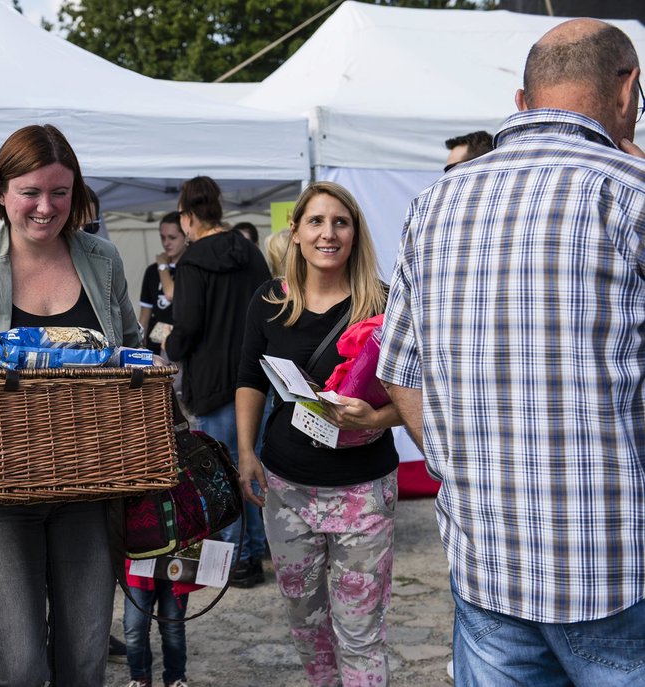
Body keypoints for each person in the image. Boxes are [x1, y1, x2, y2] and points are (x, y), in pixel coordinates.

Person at [378, 19, 645, 686]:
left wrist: (460, 471)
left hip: (488, 556)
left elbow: (401, 372)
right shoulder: (631, 193)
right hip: (618, 567)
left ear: (524, 101)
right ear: (628, 87)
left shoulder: (433, 203)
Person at [0, 124, 140, 685]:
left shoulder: (102, 260)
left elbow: (134, 354)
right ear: (1, 192)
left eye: (60, 192)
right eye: (30, 192)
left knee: (84, 661)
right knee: (18, 663)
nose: (45, 207)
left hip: (90, 482)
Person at [236, 182, 401, 685]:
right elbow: (249, 379)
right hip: (288, 488)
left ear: (355, 232)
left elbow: (420, 393)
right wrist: (246, 451)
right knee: (307, 627)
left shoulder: (385, 304)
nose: (328, 233)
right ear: (296, 230)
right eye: (316, 221)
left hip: (363, 491)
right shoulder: (269, 302)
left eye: (340, 222)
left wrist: (374, 420)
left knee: (360, 631)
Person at [163, 176, 271, 588]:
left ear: (189, 217)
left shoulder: (191, 262)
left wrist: (171, 344)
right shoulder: (250, 251)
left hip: (212, 382)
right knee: (253, 470)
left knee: (223, 475)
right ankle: (254, 553)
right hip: (257, 379)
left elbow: (186, 325)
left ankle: (238, 560)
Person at [122, 563, 195, 687]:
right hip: (137, 562)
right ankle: (140, 679)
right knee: (134, 626)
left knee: (172, 626)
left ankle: (175, 679)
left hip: (177, 561)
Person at [138, 211, 186, 354]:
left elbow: (171, 293)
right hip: (155, 345)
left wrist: (162, 266)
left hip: (181, 345)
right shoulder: (152, 271)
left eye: (172, 238)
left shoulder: (191, 269)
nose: (166, 243)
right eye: (162, 237)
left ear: (186, 236)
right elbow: (145, 315)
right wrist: (139, 344)